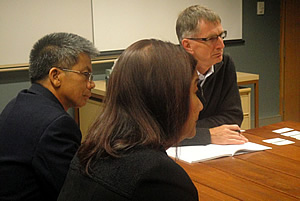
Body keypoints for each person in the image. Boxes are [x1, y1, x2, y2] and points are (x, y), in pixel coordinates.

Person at [57, 39, 202, 201]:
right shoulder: (159, 180)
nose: (201, 105)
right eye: (195, 91)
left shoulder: (91, 150)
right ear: (167, 99)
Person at [0, 32, 99, 201]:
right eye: (85, 74)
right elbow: (77, 193)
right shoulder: (56, 125)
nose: (91, 84)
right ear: (55, 76)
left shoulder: (17, 103)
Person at [176, 5, 248, 145]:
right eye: (211, 39)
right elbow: (163, 131)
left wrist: (190, 131)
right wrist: (206, 135)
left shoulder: (225, 64)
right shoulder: (169, 70)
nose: (221, 45)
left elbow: (233, 117)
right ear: (187, 45)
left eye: (221, 36)